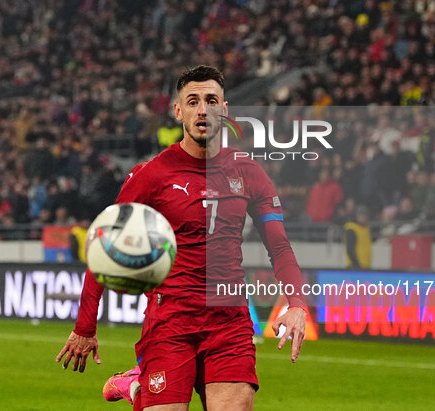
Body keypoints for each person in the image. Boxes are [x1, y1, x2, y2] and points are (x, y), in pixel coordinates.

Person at [56, 66, 308, 411]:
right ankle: (139, 387)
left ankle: (138, 384)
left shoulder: (248, 172)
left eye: (211, 100)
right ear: (179, 111)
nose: (203, 109)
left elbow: (278, 245)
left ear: (225, 109)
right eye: (193, 101)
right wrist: (85, 328)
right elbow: (104, 248)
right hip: (171, 320)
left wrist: (296, 305)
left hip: (229, 321)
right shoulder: (152, 175)